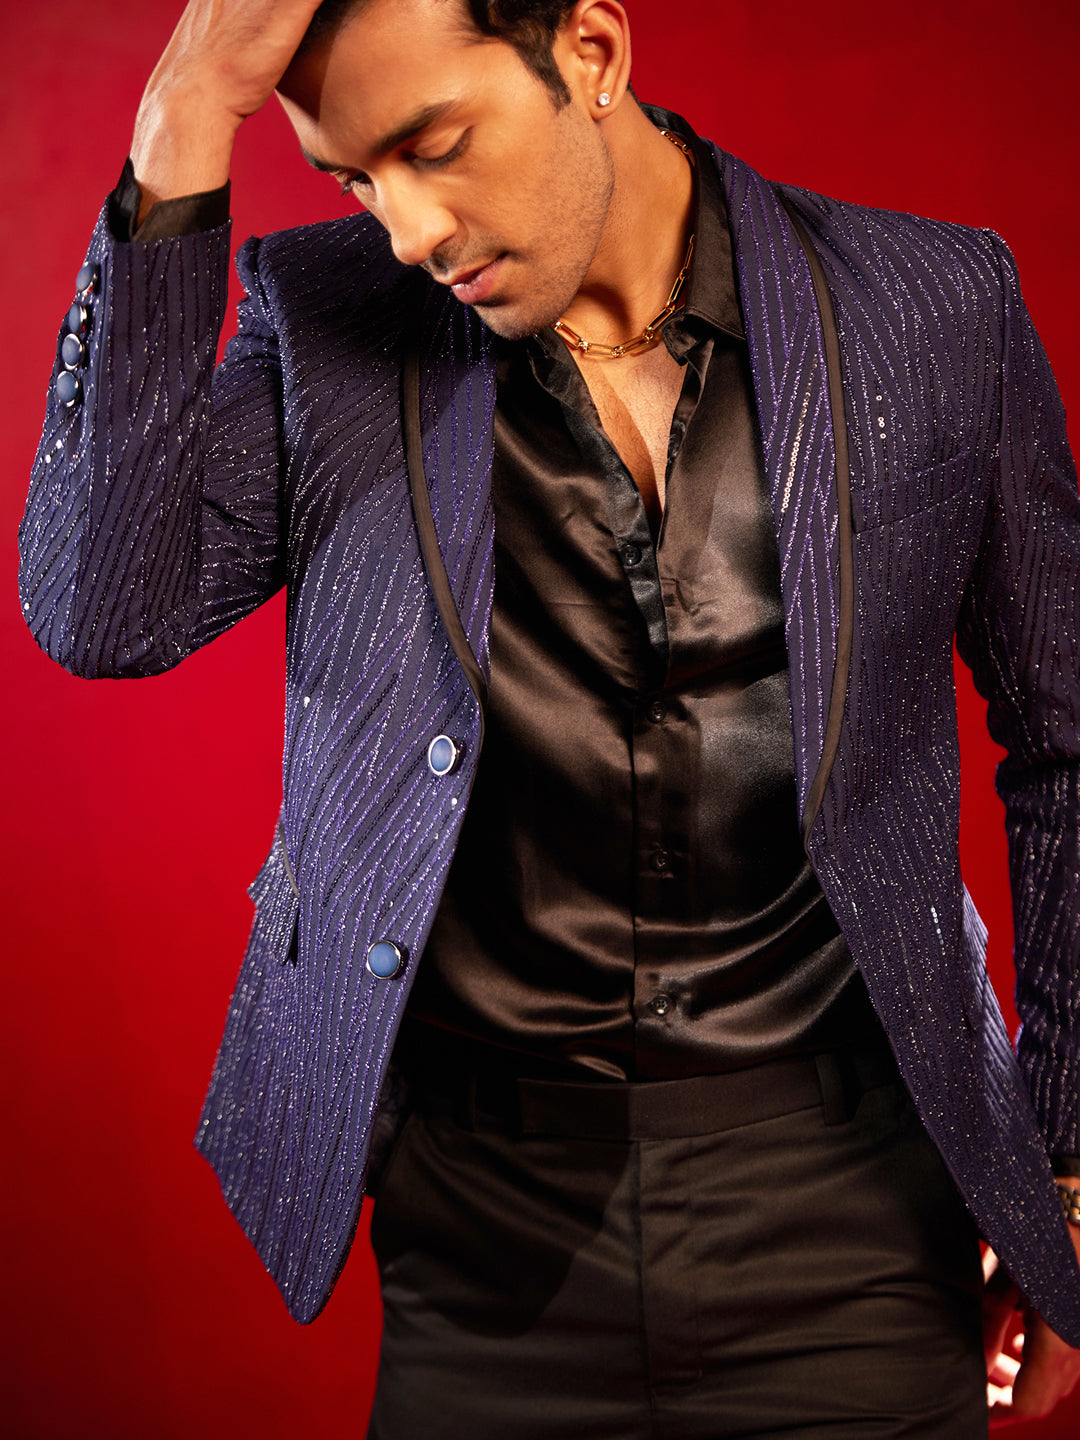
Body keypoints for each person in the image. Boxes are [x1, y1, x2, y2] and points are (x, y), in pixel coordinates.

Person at [18, 0, 1080, 1433]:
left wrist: (1067, 1168)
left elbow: (1068, 740)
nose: (407, 228)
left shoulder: (929, 307)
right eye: (354, 178)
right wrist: (184, 108)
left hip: (855, 1215)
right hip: (483, 1237)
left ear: (592, 53)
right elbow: (104, 608)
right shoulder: (328, 327)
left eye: (434, 145)